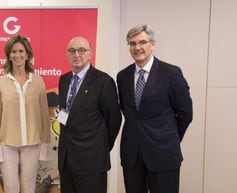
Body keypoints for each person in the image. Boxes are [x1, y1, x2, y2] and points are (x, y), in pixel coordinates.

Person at [117, 24, 193, 193]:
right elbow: (127, 112)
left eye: (142, 42)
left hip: (163, 153)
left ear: (152, 44)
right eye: (132, 43)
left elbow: (185, 113)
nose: (137, 47)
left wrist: (168, 137)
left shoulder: (171, 73)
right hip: (132, 155)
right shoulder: (122, 76)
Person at [0, 34, 51, 193]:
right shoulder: (1, 82)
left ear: (28, 54)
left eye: (21, 51)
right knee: (10, 186)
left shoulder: (38, 81)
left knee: (29, 186)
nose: (17, 55)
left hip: (32, 142)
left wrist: (45, 143)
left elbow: (44, 115)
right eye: (13, 52)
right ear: (8, 55)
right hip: (7, 143)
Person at [57, 36, 122, 193]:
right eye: (72, 51)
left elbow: (114, 120)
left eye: (82, 50)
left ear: (90, 54)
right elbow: (65, 114)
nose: (77, 54)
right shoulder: (64, 80)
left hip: (92, 159)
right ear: (67, 54)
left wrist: (101, 146)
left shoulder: (103, 81)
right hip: (66, 159)